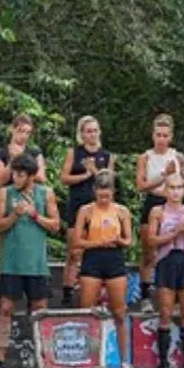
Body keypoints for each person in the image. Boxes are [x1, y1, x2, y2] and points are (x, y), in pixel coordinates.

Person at [0, 153, 61, 368]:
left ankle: (44, 359)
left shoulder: (46, 193)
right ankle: (0, 360)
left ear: (31, 176)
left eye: (20, 175)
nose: (16, 178)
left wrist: (34, 215)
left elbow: (55, 225)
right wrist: (14, 215)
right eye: (14, 174)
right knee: (5, 308)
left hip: (36, 263)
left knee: (40, 310)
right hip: (12, 262)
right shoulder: (5, 193)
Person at [74, 170, 135, 368]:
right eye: (100, 196)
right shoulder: (86, 211)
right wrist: (97, 243)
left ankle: (125, 361)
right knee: (87, 311)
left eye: (107, 196)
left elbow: (128, 240)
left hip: (114, 259)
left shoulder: (121, 211)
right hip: (92, 258)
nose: (103, 200)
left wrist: (118, 241)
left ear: (113, 193)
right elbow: (77, 240)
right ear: (94, 192)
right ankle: (87, 360)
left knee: (119, 312)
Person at [147, 174, 184, 368]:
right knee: (165, 311)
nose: (175, 192)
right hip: (166, 261)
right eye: (171, 187)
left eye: (179, 188)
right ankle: (163, 362)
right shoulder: (158, 212)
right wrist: (174, 232)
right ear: (165, 190)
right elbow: (151, 240)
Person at [133, 114, 184, 312]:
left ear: (171, 137)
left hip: (173, 202)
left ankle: (176, 296)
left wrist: (176, 189)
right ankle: (145, 295)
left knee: (176, 249)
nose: (161, 139)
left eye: (165, 135)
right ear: (153, 135)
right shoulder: (146, 157)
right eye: (158, 135)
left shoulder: (177, 157)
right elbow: (141, 185)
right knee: (149, 251)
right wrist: (164, 175)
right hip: (153, 200)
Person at [58, 116, 113, 307]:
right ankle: (67, 292)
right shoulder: (74, 153)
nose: (92, 134)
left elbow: (109, 182)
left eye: (95, 130)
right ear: (81, 134)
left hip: (99, 208)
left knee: (98, 249)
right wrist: (85, 174)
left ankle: (96, 294)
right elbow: (64, 178)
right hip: (77, 204)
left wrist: (95, 171)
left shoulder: (106, 156)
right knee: (74, 251)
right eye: (88, 131)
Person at [0, 113, 47, 188]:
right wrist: (12, 160)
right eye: (21, 131)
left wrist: (23, 158)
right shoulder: (0, 154)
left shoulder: (35, 153)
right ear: (12, 129)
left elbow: (41, 178)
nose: (24, 136)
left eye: (28, 133)